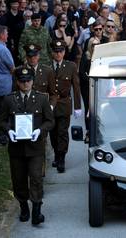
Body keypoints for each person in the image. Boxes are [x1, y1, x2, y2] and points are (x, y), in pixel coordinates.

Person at [0, 66, 54, 226]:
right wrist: (9, 131)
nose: (25, 84)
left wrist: (40, 130)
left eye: (28, 80)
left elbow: (50, 121)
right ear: (17, 82)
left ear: (32, 81)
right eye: (22, 81)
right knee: (19, 179)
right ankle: (24, 207)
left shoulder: (42, 98)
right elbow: (1, 120)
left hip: (35, 147)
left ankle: (37, 210)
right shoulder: (9, 99)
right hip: (17, 148)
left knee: (36, 178)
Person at [49, 40, 81, 173]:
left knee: (62, 132)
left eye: (61, 51)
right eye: (56, 52)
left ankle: (61, 158)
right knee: (53, 132)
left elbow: (76, 87)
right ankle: (56, 154)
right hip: (50, 105)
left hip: (64, 104)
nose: (58, 54)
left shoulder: (71, 66)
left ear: (64, 52)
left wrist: (78, 107)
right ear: (52, 53)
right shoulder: (46, 66)